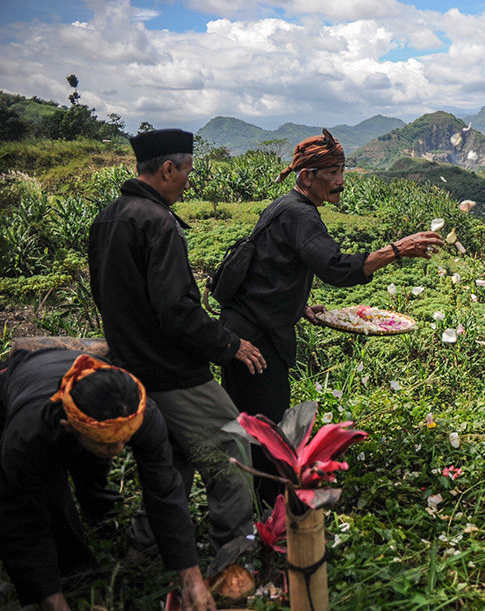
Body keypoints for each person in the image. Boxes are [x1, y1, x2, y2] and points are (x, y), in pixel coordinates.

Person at [220, 129, 443, 504]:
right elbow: (338, 270)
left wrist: (299, 306)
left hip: (248, 326)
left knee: (256, 425)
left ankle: (256, 505)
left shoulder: (284, 207)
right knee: (266, 431)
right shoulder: (301, 216)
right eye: (331, 172)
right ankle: (267, 512)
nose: (340, 180)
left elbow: (267, 271)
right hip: (254, 340)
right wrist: (397, 249)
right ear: (306, 176)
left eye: (342, 170)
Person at [88, 129, 265, 557]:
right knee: (231, 448)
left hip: (131, 366)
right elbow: (176, 310)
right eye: (187, 170)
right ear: (168, 168)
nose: (189, 180)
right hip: (173, 372)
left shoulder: (109, 217)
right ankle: (235, 551)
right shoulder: (157, 223)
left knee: (170, 457)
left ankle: (146, 545)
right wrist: (229, 345)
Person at [0, 349, 216, 611]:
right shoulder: (27, 436)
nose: (118, 450)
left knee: (94, 467)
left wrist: (191, 576)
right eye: (109, 442)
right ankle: (76, 577)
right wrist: (52, 600)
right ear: (71, 427)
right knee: (52, 501)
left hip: (84, 394)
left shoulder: (140, 411)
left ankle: (98, 513)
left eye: (125, 440)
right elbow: (21, 521)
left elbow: (165, 491)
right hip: (24, 382)